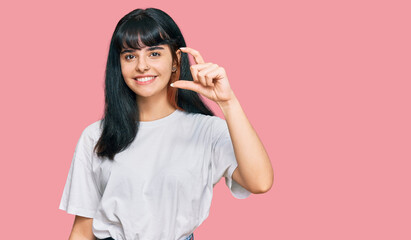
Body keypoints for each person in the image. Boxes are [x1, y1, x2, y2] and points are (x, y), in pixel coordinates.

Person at [59, 7, 273, 240]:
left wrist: (228, 103)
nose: (142, 66)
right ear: (118, 65)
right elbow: (82, 230)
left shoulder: (207, 131)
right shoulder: (96, 136)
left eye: (154, 53)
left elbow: (260, 182)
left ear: (175, 61)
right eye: (130, 56)